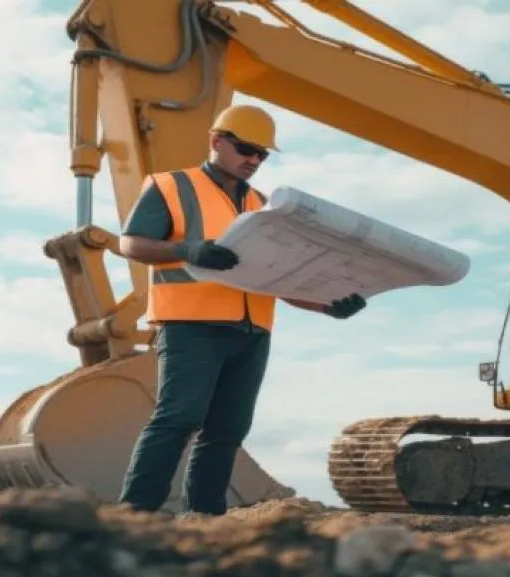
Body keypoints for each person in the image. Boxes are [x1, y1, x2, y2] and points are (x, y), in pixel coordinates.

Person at [115, 104, 367, 515]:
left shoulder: (264, 204)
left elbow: (279, 278)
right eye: (247, 149)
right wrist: (188, 250)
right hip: (191, 323)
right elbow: (131, 243)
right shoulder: (171, 186)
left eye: (262, 155)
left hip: (252, 331)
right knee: (179, 417)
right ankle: (134, 513)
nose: (254, 160)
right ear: (217, 141)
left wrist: (327, 305)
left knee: (228, 430)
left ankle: (205, 516)